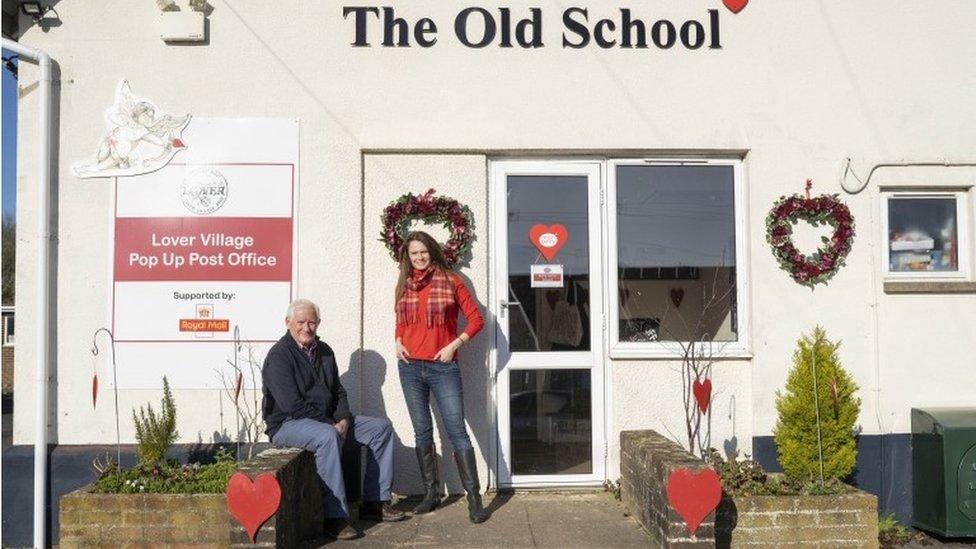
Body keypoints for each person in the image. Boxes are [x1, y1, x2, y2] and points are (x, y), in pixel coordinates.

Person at [263, 298, 406, 541]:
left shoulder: (325, 351)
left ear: (318, 323)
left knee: (381, 428)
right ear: (288, 323)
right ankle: (335, 517)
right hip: (287, 424)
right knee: (328, 436)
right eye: (300, 322)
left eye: (312, 322)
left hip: (327, 421)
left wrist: (343, 419)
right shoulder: (278, 356)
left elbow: (338, 391)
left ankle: (375, 502)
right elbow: (292, 405)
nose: (306, 328)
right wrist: (330, 424)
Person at [394, 231, 489, 523]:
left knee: (456, 430)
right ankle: (431, 494)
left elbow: (477, 319)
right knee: (422, 430)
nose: (419, 257)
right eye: (414, 254)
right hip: (409, 367)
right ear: (407, 257)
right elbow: (400, 320)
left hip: (442, 367)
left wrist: (454, 345)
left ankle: (474, 499)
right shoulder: (404, 285)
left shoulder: (451, 281)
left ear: (432, 252)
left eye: (423, 252)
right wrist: (397, 340)